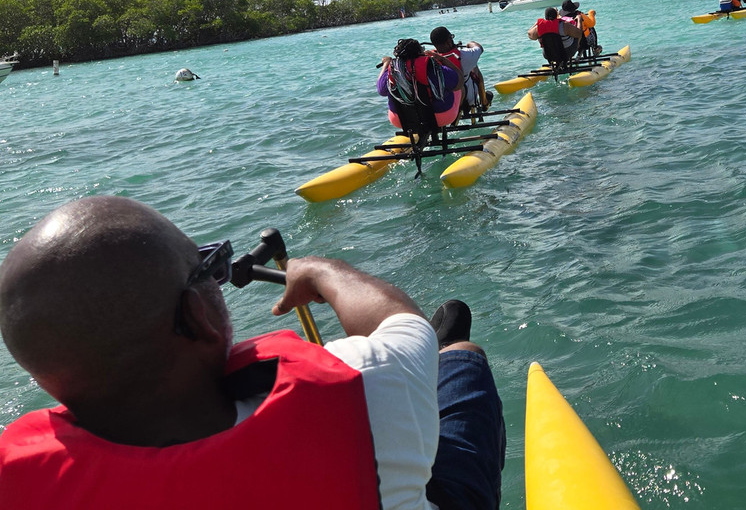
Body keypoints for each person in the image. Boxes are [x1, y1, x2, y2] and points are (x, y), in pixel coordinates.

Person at [0, 196, 505, 510]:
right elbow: (401, 322)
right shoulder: (362, 384)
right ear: (197, 315)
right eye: (210, 269)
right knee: (455, 351)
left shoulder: (17, 484)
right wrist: (324, 272)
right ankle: (456, 359)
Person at [378, 37, 462, 132]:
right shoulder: (433, 68)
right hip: (441, 118)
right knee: (456, 88)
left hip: (400, 120)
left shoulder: (393, 71)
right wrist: (442, 59)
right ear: (420, 52)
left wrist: (386, 64)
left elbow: (381, 91)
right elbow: (459, 83)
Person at [429, 26, 491, 118]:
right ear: (449, 41)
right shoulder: (464, 56)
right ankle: (484, 102)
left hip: (438, 101)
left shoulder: (430, 60)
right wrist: (470, 43)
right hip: (464, 98)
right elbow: (480, 48)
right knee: (475, 68)